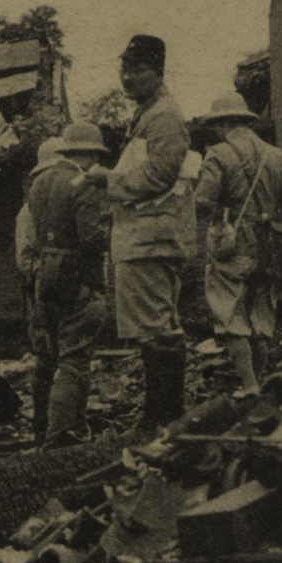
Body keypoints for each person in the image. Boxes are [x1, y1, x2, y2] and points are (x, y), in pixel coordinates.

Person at [104, 35, 195, 430]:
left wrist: (108, 182)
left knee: (157, 329)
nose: (127, 77)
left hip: (150, 239)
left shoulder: (163, 116)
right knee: (154, 327)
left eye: (137, 70)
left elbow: (160, 174)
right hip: (144, 237)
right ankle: (160, 416)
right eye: (124, 69)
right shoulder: (149, 113)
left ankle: (162, 418)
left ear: (157, 72)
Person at [195, 92, 282, 393]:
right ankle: (262, 382)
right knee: (261, 314)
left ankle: (250, 386)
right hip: (270, 246)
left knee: (230, 314)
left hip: (233, 245)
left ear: (222, 123)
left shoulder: (218, 153)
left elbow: (203, 202)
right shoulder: (275, 154)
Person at [29, 122, 112, 446]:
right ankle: (61, 437)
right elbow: (91, 239)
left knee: (47, 357)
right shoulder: (85, 184)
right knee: (75, 358)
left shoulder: (40, 181)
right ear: (90, 153)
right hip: (79, 275)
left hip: (45, 275)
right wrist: (113, 230)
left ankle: (41, 430)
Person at [17, 136, 63, 444]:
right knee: (46, 357)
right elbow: (24, 259)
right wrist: (46, 272)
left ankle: (64, 424)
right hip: (43, 291)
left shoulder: (68, 207)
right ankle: (42, 428)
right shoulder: (28, 212)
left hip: (68, 291)